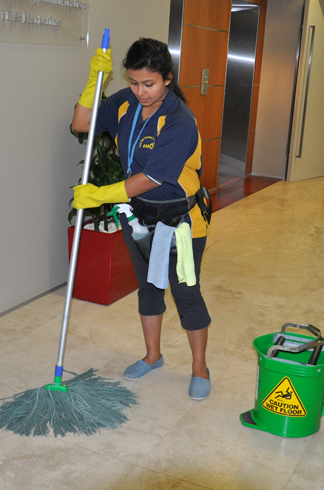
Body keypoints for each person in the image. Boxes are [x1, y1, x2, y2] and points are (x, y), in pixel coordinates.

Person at [71, 38, 212, 400]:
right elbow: (81, 123)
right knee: (148, 287)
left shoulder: (179, 120)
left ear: (167, 78)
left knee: (186, 293)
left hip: (181, 220)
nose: (141, 91)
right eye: (134, 82)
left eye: (149, 83)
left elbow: (151, 177)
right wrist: (94, 81)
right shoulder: (126, 103)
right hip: (139, 217)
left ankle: (200, 368)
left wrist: (100, 195)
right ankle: (153, 356)